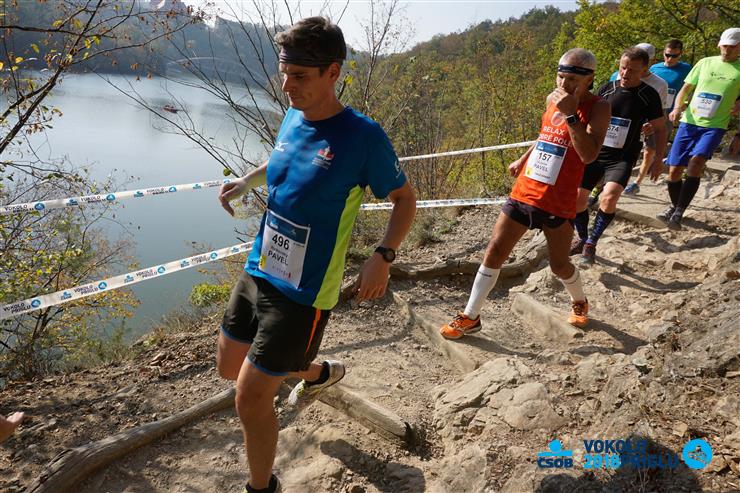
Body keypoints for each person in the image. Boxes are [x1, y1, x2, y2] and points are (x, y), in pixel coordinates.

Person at [216, 17, 416, 493]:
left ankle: (262, 486)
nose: (287, 86)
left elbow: (405, 199)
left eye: (300, 76)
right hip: (260, 267)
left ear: (333, 72)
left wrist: (383, 255)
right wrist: (247, 180)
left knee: (249, 398)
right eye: (284, 73)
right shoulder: (294, 114)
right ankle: (319, 372)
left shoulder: (363, 137)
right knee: (228, 366)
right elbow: (283, 157)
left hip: (304, 292)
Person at [439, 48, 610, 338]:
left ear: (589, 79)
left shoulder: (598, 107)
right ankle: (471, 316)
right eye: (560, 77)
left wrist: (571, 113)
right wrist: (524, 158)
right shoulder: (552, 99)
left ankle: (579, 301)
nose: (564, 84)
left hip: (558, 198)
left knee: (559, 265)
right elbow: (546, 136)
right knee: (495, 250)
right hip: (527, 188)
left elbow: (588, 154)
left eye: (572, 79)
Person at [572, 46, 667, 265]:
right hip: (595, 153)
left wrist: (657, 159)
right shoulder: (607, 88)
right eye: (623, 68)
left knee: (609, 196)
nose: (625, 73)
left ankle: (591, 243)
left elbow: (660, 129)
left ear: (644, 70)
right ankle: (582, 238)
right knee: (578, 199)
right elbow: (586, 117)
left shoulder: (649, 95)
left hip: (622, 157)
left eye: (632, 70)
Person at [659, 27, 740, 229]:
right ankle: (675, 206)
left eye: (731, 46)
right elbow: (685, 89)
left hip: (715, 125)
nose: (726, 50)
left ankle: (679, 212)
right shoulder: (705, 63)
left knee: (696, 163)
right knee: (674, 170)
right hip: (689, 121)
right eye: (724, 46)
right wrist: (677, 107)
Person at [625, 39, 692, 194]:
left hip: (664, 114)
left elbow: (689, 89)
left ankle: (636, 182)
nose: (669, 59)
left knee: (650, 150)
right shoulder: (655, 68)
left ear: (680, 55)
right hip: (640, 112)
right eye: (667, 55)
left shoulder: (686, 69)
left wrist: (682, 106)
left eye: (674, 56)